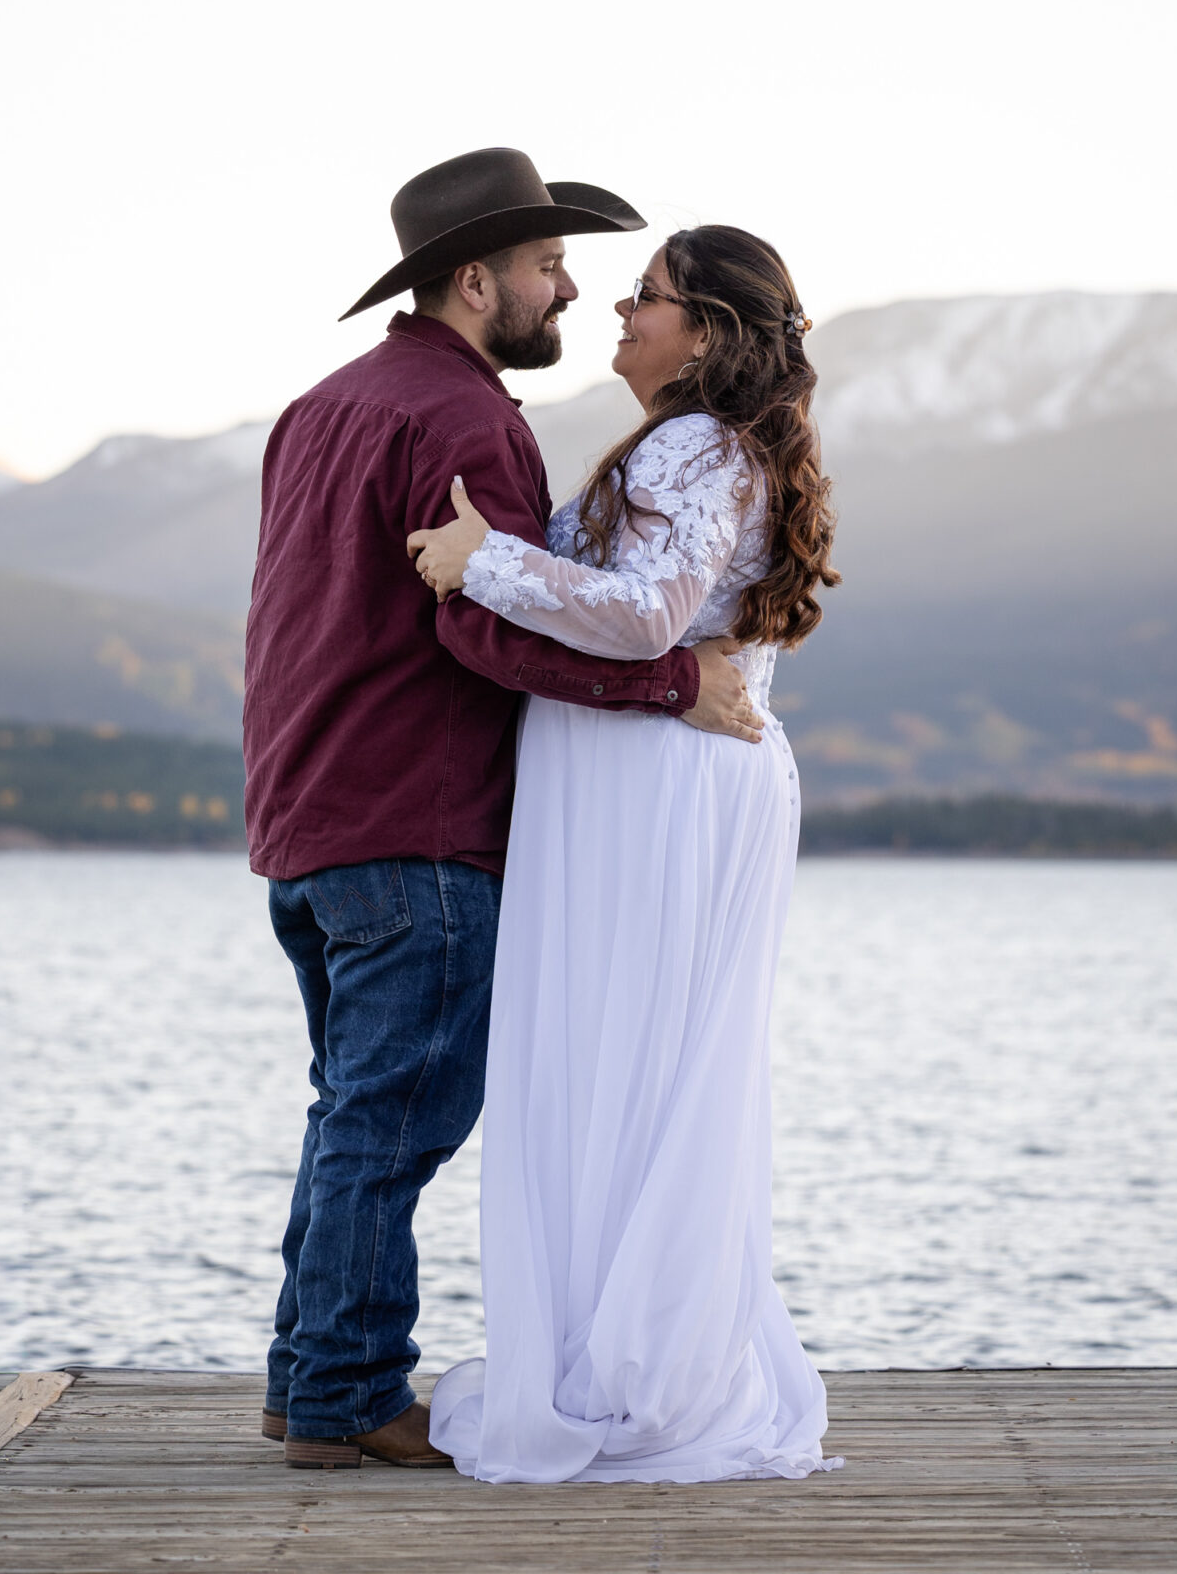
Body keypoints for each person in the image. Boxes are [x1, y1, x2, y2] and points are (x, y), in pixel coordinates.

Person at [243, 149, 762, 1471]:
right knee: (392, 1119)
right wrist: (669, 682)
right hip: (418, 823)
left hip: (306, 822)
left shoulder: (320, 407)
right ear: (475, 281)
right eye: (544, 266)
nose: (568, 289)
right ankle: (344, 1395)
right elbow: (482, 629)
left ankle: (302, 1376)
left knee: (349, 1109)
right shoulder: (466, 422)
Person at [410, 224, 844, 1483]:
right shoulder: (696, 441)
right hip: (651, 785)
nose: (618, 303)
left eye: (645, 294)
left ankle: (640, 1374)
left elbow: (649, 612)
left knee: (631, 1068)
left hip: (658, 795)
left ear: (703, 330)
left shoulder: (697, 442)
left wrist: (481, 559)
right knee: (629, 1068)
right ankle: (622, 1349)